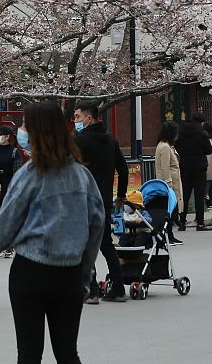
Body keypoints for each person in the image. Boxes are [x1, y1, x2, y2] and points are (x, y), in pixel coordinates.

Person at [0, 101, 103, 364]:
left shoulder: (29, 174)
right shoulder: (82, 176)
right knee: (68, 352)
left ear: (38, 132)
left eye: (25, 125)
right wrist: (85, 272)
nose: (21, 131)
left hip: (31, 272)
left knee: (29, 354)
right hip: (70, 273)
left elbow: (5, 226)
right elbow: (96, 226)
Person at [72, 101, 128, 304]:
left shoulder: (81, 141)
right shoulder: (111, 140)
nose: (75, 121)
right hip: (104, 201)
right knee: (105, 243)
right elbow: (123, 169)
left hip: (84, 200)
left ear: (88, 118)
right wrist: (121, 195)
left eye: (77, 117)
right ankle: (119, 289)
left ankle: (92, 291)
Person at [174, 112, 212, 231]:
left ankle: (182, 222)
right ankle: (200, 223)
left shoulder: (181, 132)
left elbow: (177, 146)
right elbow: (209, 150)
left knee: (184, 195)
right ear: (201, 122)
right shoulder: (202, 133)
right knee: (199, 196)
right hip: (199, 167)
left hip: (185, 166)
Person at [0, 124, 22, 258]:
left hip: (9, 188)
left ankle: (9, 246)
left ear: (7, 137)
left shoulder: (14, 152)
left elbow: (18, 173)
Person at [153, 122, 184, 244]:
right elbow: (165, 168)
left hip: (170, 182)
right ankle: (168, 235)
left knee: (170, 211)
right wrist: (169, 185)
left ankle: (169, 235)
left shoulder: (165, 145)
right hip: (169, 184)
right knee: (170, 211)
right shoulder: (165, 147)